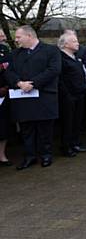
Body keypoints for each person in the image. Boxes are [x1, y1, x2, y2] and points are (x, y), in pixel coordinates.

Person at [6, 26, 61, 169]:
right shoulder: (15, 54)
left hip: (44, 96)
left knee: (45, 129)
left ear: (29, 36)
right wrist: (19, 83)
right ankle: (30, 156)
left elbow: (54, 70)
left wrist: (34, 83)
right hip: (22, 97)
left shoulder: (51, 50)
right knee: (26, 129)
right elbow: (9, 72)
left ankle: (46, 155)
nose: (16, 40)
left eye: (19, 37)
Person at [58, 32, 86, 157]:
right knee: (68, 122)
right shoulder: (61, 58)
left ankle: (75, 143)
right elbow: (60, 79)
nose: (78, 44)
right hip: (68, 96)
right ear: (66, 44)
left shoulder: (75, 57)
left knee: (77, 121)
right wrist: (67, 95)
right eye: (74, 41)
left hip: (79, 94)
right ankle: (66, 146)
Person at [0, 33, 11, 166]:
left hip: (4, 91)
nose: (3, 37)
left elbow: (11, 68)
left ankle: (2, 155)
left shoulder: (5, 50)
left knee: (3, 127)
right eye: (1, 35)